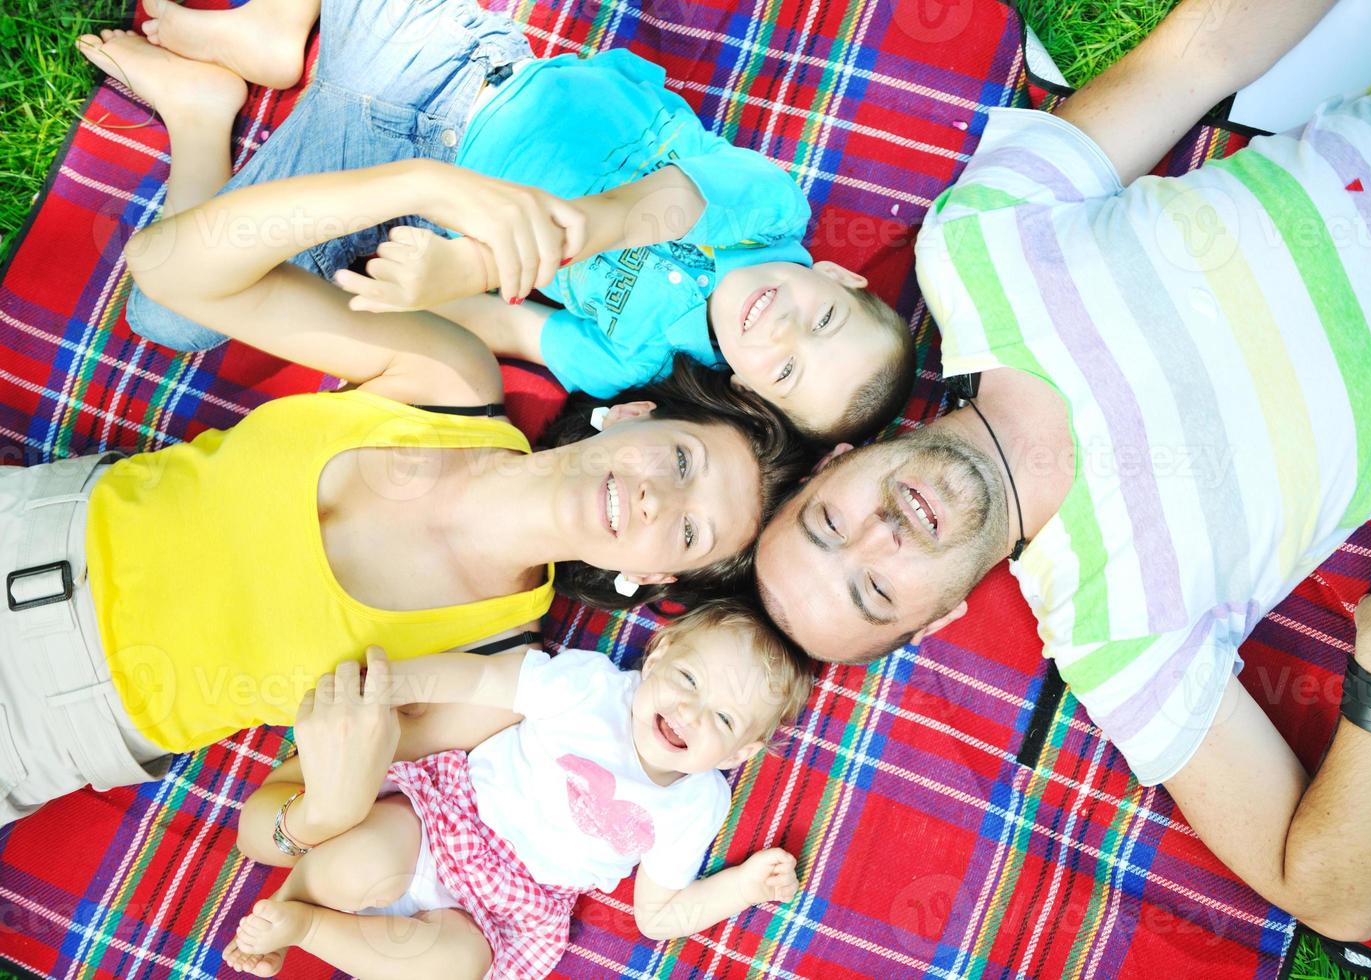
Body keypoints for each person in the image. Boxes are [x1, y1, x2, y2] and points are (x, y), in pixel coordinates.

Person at [754, 0, 1371, 943]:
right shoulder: (1114, 635)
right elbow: (1333, 894)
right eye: (877, 589)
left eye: (828, 524)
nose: (881, 534)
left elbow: (1204, 52)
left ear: (835, 464)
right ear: (939, 616)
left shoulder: (974, 250)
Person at [0, 40, 810, 823]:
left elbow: (277, 822)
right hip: (30, 528)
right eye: (680, 458)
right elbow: (171, 268)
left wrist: (330, 807)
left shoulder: (494, 665)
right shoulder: (448, 381)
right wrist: (417, 184)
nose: (655, 497)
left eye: (690, 529)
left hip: (49, 734)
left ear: (649, 578)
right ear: (631, 412)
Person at [106, 0, 917, 445]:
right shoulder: (770, 209)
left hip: (378, 180)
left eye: (785, 372)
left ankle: (200, 118)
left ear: (746, 390)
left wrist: (420, 290)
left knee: (168, 309)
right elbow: (645, 209)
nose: (782, 329)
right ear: (840, 275)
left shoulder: (635, 358)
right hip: (450, 67)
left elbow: (508, 328)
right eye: (825, 318)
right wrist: (476, 265)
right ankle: (279, 28)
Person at [221, 603, 812, 978]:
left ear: (739, 756)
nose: (690, 712)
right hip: (448, 819)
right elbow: (484, 679)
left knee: (458, 966)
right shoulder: (591, 689)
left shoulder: (696, 805)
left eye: (724, 720)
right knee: (365, 855)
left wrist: (743, 887)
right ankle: (288, 904)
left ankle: (308, 929)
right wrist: (391, 681)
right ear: (654, 660)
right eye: (688, 680)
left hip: (511, 904)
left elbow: (658, 916)